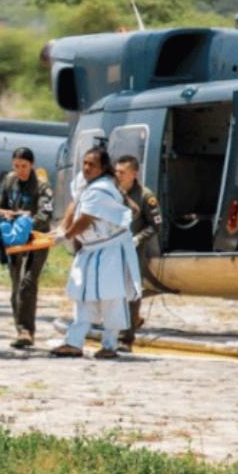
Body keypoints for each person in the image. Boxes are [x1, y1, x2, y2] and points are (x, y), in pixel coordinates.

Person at [52, 147, 141, 360]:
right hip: (90, 250)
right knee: (82, 296)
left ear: (102, 168)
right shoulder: (86, 184)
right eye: (85, 163)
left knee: (111, 298)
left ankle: (110, 345)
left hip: (110, 250)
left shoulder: (102, 189)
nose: (86, 168)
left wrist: (67, 236)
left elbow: (86, 218)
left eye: (92, 164)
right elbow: (74, 205)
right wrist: (62, 229)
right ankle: (74, 343)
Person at [0, 147, 54, 349]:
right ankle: (21, 330)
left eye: (24, 166)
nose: (20, 170)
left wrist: (24, 223)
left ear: (32, 165)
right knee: (15, 286)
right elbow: (2, 205)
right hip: (14, 238)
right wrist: (3, 218)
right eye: (17, 166)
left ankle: (27, 330)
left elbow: (45, 215)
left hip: (37, 238)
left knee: (28, 283)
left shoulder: (42, 186)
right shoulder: (9, 181)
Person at [113, 155, 161, 349]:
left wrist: (138, 239)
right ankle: (121, 326)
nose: (118, 175)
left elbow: (156, 225)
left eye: (122, 172)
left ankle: (126, 339)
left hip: (134, 252)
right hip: (112, 249)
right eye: (116, 171)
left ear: (134, 173)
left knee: (131, 293)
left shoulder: (145, 196)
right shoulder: (113, 191)